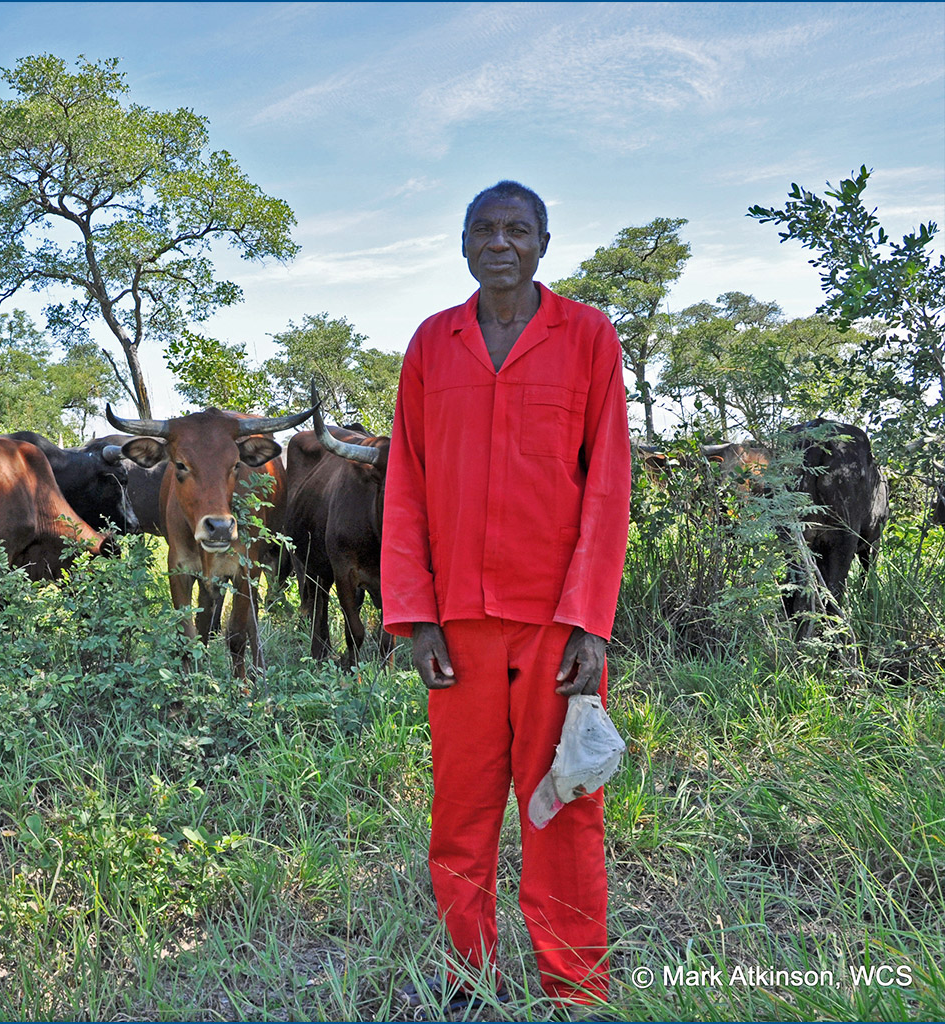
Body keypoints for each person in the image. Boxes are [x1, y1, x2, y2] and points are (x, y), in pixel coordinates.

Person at [381, 180, 631, 1012]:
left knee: (563, 802)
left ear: (543, 243)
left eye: (517, 230)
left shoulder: (588, 337)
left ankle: (574, 988)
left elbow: (607, 489)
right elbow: (406, 486)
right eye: (483, 229)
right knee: (461, 810)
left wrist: (589, 622)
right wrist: (415, 615)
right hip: (457, 624)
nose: (500, 243)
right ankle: (468, 976)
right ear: (461, 244)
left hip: (556, 625)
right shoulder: (432, 344)